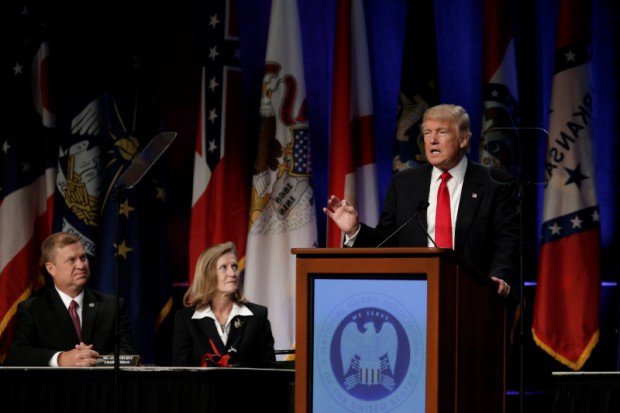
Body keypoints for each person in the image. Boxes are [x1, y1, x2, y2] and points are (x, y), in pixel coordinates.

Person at [324, 104, 519, 297]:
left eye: (441, 132)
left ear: (463, 139)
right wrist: (354, 230)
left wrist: (498, 277)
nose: (432, 140)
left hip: (473, 296)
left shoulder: (495, 183)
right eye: (427, 132)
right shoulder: (404, 183)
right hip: (414, 297)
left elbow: (506, 240)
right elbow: (386, 242)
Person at [4, 232, 135, 366]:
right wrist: (60, 359)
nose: (81, 265)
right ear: (51, 269)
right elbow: (17, 355)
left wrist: (92, 360)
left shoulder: (112, 306)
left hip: (101, 385)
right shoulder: (32, 309)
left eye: (83, 258)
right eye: (71, 260)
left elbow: (127, 353)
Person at [172, 242, 276, 367]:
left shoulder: (258, 316)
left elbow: (269, 372)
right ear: (208, 274)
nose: (232, 273)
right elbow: (181, 376)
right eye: (224, 267)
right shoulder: (185, 320)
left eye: (234, 266)